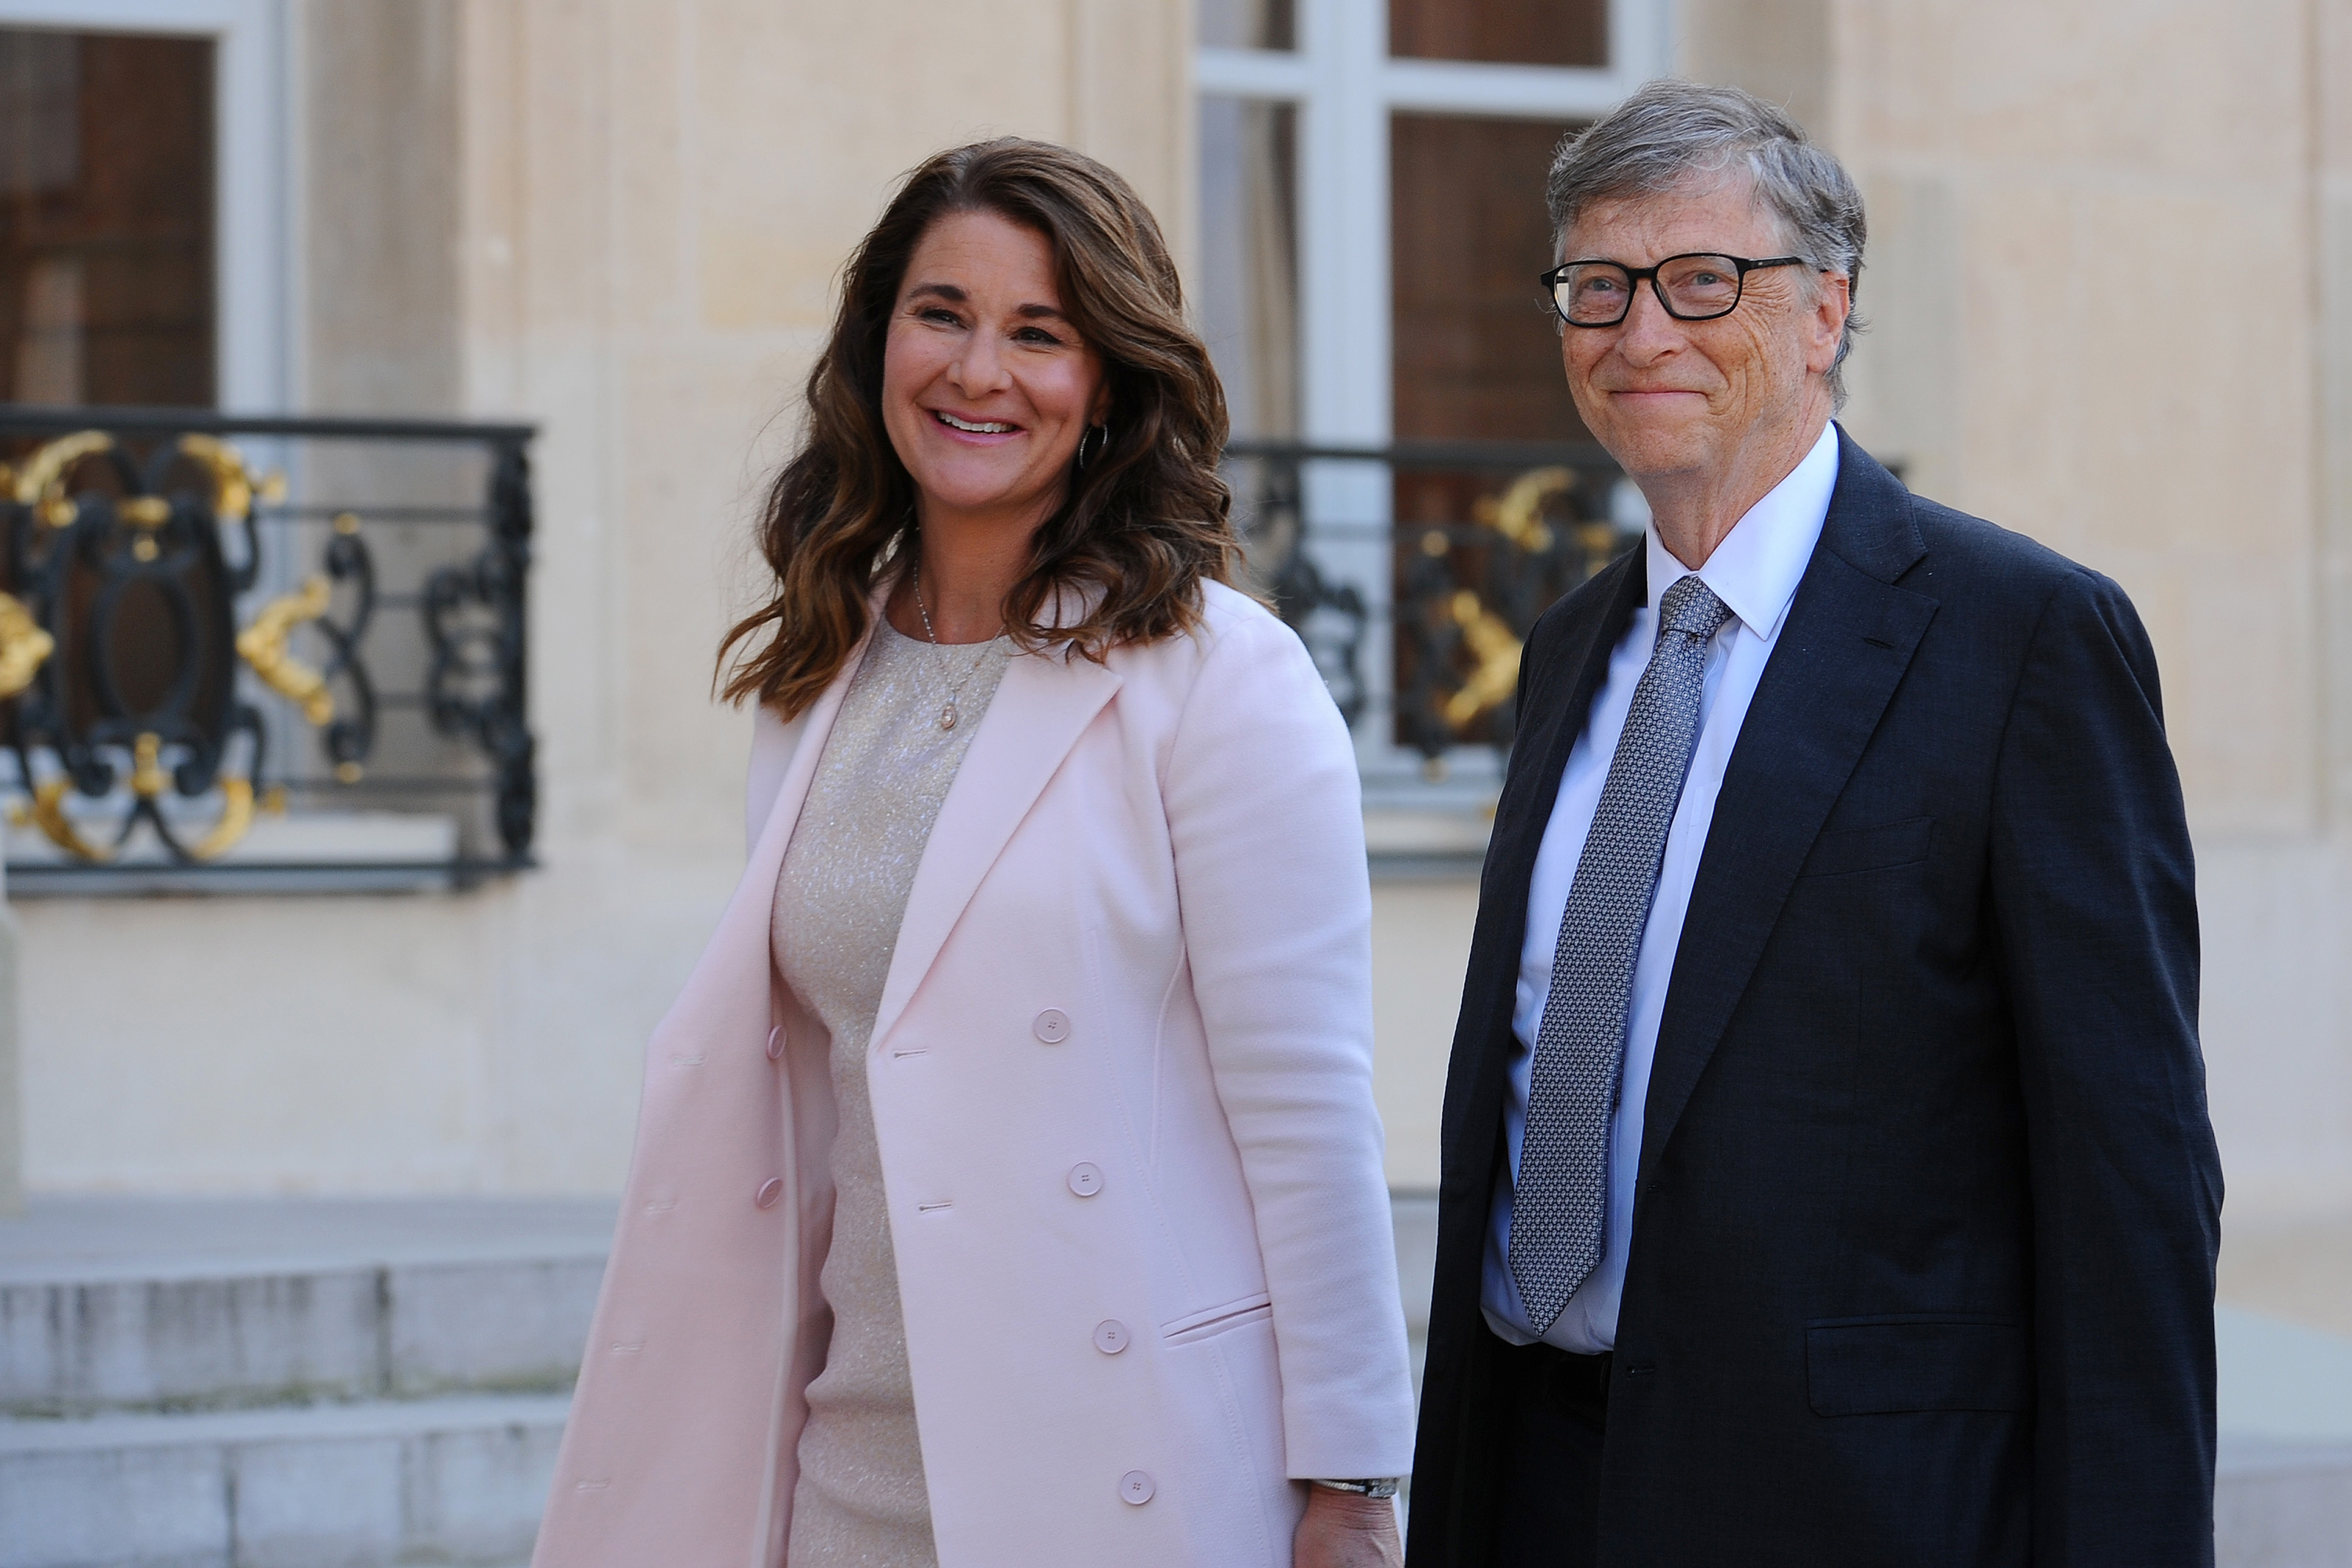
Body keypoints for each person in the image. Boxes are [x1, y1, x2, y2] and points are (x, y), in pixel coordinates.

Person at [530, 139, 1415, 1568]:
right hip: (844, 1469)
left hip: (1120, 1464)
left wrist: (1352, 1481)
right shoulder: (818, 670)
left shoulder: (1218, 676)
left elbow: (1308, 1109)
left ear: (1108, 381)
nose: (978, 372)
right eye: (940, 313)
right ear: (878, 339)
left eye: (1039, 333)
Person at [1406, 81, 2221, 1567]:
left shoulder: (2021, 637)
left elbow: (2129, 1184)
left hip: (1855, 1509)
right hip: (1532, 1477)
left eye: (1700, 281)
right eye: (1597, 287)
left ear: (1824, 312)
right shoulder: (1569, 647)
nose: (1640, 333)